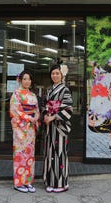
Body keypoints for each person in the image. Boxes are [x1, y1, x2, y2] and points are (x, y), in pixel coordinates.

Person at [42, 64, 73, 193]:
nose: (55, 75)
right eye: (53, 73)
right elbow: (45, 105)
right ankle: (50, 181)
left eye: (57, 73)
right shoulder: (49, 90)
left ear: (62, 75)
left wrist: (53, 117)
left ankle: (60, 183)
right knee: (50, 154)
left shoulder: (65, 90)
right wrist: (45, 115)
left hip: (59, 127)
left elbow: (68, 109)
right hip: (50, 127)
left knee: (60, 154)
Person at [10, 70, 40, 193]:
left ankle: (28, 181)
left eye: (29, 79)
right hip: (20, 129)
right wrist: (29, 118)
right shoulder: (16, 94)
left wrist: (36, 117)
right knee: (20, 154)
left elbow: (37, 109)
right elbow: (15, 110)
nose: (27, 81)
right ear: (20, 80)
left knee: (29, 155)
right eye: (25, 79)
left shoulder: (33, 95)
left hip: (31, 129)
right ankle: (18, 183)